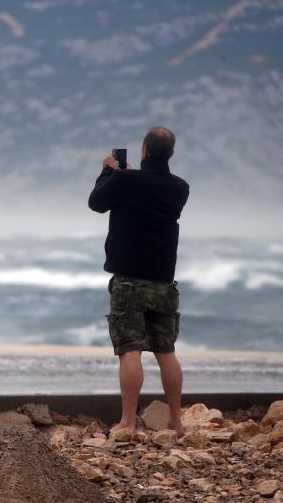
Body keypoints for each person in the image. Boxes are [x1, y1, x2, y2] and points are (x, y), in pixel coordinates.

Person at [87, 126, 190, 436]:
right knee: (165, 351)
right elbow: (146, 196)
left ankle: (128, 421)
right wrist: (122, 178)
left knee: (130, 350)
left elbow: (96, 203)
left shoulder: (125, 181)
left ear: (144, 151)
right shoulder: (180, 188)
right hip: (163, 282)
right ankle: (176, 419)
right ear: (171, 153)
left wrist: (109, 173)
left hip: (129, 280)